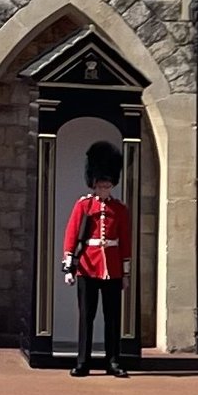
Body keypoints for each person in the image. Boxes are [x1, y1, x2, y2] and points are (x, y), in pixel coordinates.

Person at [61, 140, 133, 379]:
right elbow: (72, 235)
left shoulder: (120, 210)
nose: (104, 188)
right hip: (87, 266)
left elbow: (125, 241)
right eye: (101, 184)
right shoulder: (83, 205)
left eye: (107, 184)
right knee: (86, 317)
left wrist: (125, 273)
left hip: (111, 269)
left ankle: (113, 362)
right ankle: (83, 362)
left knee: (112, 318)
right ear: (94, 182)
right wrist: (69, 265)